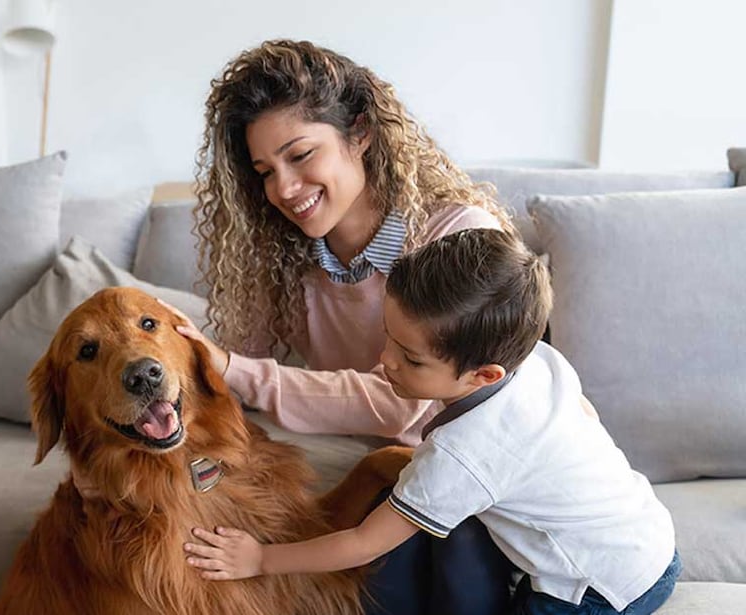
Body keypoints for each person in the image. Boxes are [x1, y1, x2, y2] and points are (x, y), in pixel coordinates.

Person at [176, 39, 517, 613]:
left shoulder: (459, 239)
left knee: (442, 540)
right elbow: (221, 383)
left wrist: (238, 371)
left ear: (359, 133)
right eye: (265, 171)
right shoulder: (285, 264)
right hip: (387, 484)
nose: (284, 188)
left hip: (469, 487)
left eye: (301, 154)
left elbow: (403, 403)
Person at [184, 228, 681, 615]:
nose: (384, 361)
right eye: (388, 337)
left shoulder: (461, 455)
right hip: (652, 537)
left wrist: (260, 559)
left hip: (598, 589)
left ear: (484, 374)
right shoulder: (542, 362)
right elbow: (585, 415)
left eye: (411, 360)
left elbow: (362, 543)